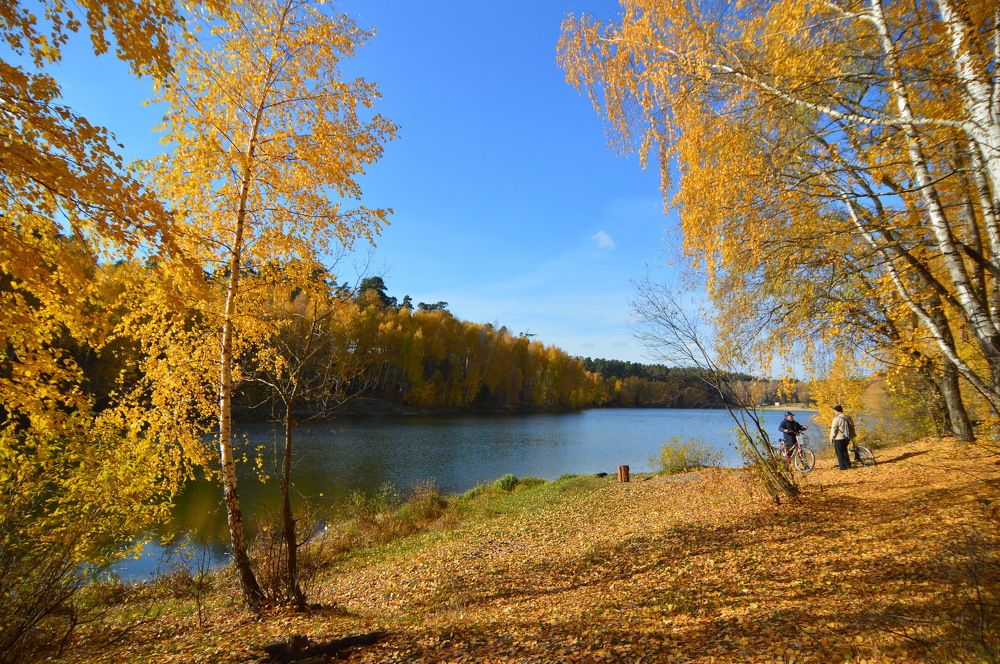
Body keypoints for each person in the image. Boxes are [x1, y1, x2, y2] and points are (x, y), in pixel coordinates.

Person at [829, 404, 857, 470]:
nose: (834, 412)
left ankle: (842, 467)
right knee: (844, 451)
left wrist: (831, 438)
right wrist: (853, 434)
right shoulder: (848, 417)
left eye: (835, 411)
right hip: (847, 437)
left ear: (837, 411)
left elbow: (834, 429)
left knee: (839, 452)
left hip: (839, 438)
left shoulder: (836, 419)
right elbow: (852, 426)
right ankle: (848, 465)